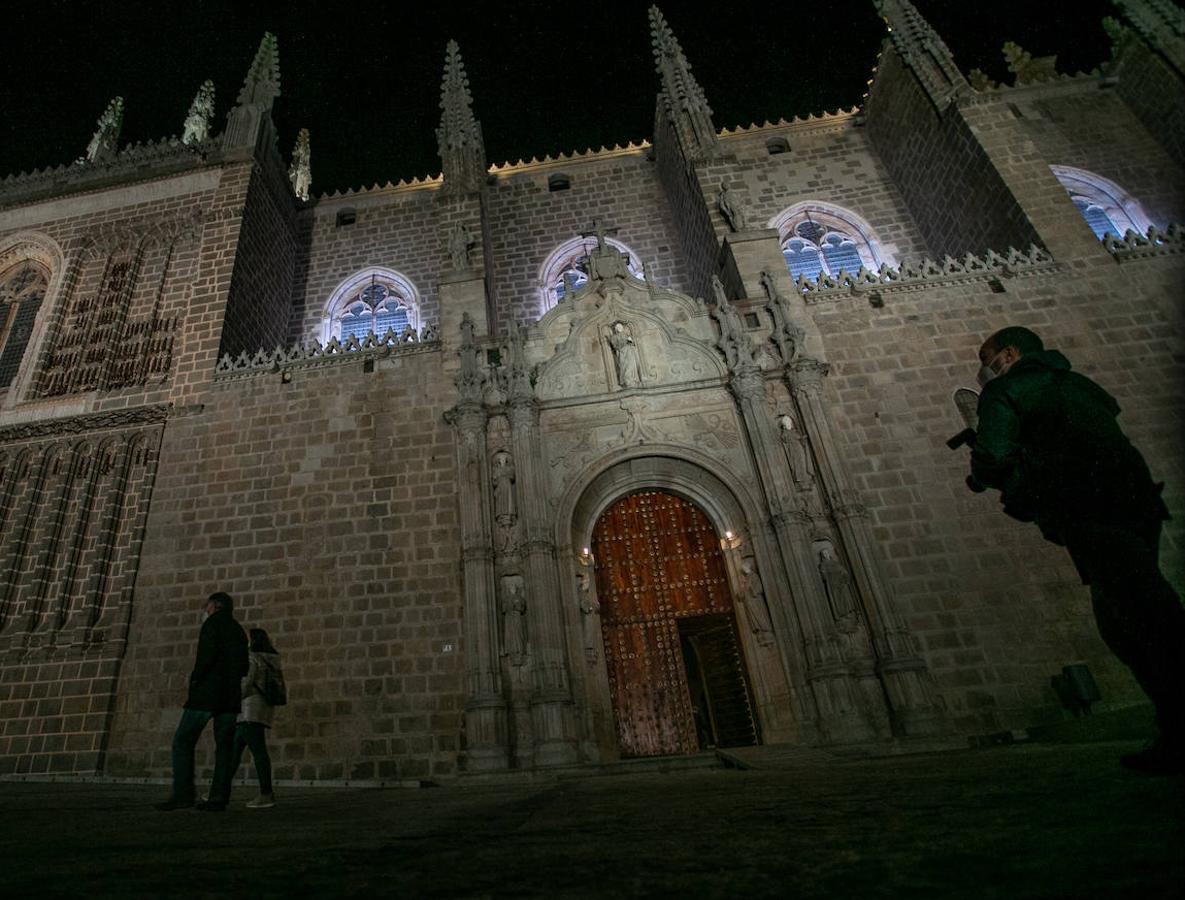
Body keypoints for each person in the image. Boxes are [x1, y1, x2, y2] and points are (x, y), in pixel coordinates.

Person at [968, 326, 1185, 775]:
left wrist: (993, 475)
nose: (984, 368)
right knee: (1147, 603)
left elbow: (992, 455)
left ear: (1009, 354)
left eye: (988, 358)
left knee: (1133, 620)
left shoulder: (1006, 391)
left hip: (1085, 508)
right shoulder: (1078, 384)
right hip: (1138, 501)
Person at [155, 591, 249, 810]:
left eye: (207, 606)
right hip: (229, 697)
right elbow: (244, 666)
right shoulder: (238, 630)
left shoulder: (211, 625)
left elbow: (205, 657)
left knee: (183, 740)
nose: (205, 610)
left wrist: (196, 681)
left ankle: (183, 795)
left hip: (206, 695)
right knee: (224, 747)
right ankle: (219, 797)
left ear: (214, 606)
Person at [228, 628, 282, 809]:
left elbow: (246, 683)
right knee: (233, 753)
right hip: (261, 710)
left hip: (248, 710)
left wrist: (231, 701)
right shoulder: (271, 660)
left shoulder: (252, 657)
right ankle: (219, 789)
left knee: (258, 752)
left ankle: (266, 794)